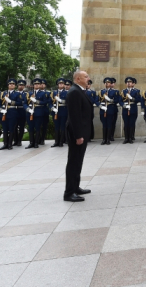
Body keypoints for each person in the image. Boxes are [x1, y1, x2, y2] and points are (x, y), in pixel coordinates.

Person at [64, 70, 93, 202]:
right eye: (85, 77)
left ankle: (75, 187)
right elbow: (75, 117)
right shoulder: (74, 92)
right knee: (73, 162)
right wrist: (78, 136)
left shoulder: (79, 91)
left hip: (82, 132)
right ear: (77, 79)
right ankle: (69, 192)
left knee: (78, 161)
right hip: (77, 133)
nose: (88, 78)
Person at [0, 79, 21, 150]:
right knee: (5, 129)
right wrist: (0, 110)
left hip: (12, 112)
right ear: (8, 85)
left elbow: (20, 103)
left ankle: (10, 144)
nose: (11, 85)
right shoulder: (3, 93)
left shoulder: (17, 94)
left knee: (11, 129)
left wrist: (11, 101)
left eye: (13, 84)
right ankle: (5, 143)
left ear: (15, 85)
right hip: (4, 113)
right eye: (10, 84)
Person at [100, 77, 121, 145]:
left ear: (111, 84)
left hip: (110, 109)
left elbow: (117, 100)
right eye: (106, 83)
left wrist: (110, 100)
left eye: (108, 83)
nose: (107, 84)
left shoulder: (115, 91)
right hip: (103, 109)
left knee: (109, 124)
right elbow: (97, 100)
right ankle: (104, 139)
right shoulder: (101, 91)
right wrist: (100, 106)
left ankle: (108, 139)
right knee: (104, 125)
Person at [121, 77, 141, 144]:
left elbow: (139, 99)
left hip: (133, 108)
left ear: (133, 83)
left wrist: (132, 98)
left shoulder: (136, 91)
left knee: (131, 123)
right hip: (125, 109)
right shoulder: (123, 91)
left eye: (130, 82)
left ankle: (130, 137)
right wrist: (124, 105)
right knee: (126, 124)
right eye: (127, 82)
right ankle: (126, 138)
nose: (128, 83)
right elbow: (120, 100)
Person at [51, 78, 68, 148]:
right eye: (59, 83)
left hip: (63, 111)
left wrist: (60, 100)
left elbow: (68, 101)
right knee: (56, 127)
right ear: (57, 85)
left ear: (64, 85)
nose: (61, 84)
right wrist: (52, 108)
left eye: (62, 83)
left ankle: (61, 141)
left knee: (62, 127)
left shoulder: (67, 92)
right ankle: (56, 141)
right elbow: (49, 102)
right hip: (55, 111)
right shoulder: (54, 92)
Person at [14, 80, 27, 146]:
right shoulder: (14, 93)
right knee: (14, 127)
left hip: (22, 111)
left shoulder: (26, 94)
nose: (21, 86)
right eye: (19, 85)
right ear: (17, 86)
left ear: (24, 86)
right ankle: (15, 140)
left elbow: (25, 102)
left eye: (22, 85)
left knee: (21, 127)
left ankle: (19, 140)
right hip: (15, 111)